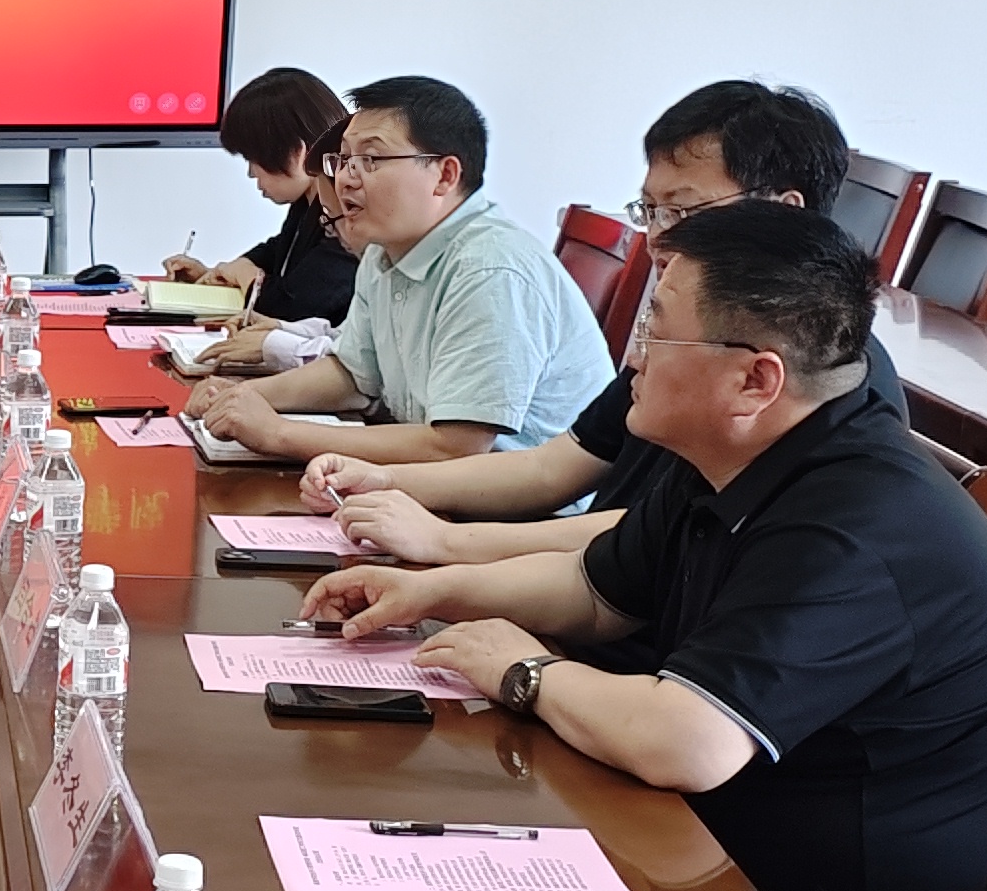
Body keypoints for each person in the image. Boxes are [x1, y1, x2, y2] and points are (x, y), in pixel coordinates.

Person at [304, 200, 987, 891]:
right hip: (713, 847)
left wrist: (527, 672)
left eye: (656, 332)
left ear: (756, 379)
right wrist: (432, 591)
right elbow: (597, 590)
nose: (632, 355)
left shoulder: (855, 523)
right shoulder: (739, 450)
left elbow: (688, 743)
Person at [308, 79, 903, 563]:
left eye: (684, 211)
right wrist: (385, 481)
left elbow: (655, 533)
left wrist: (443, 543)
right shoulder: (684, 332)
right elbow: (551, 469)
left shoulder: (825, 374)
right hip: (586, 577)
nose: (659, 238)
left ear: (783, 211)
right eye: (652, 210)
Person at [188, 74, 609, 466]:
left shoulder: (489, 271)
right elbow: (352, 375)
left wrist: (279, 433)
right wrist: (241, 395)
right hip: (431, 489)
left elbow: (455, 447)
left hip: (521, 509)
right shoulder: (382, 254)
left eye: (371, 158)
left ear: (445, 175)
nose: (346, 179)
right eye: (344, 159)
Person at [159, 66, 355, 347]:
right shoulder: (310, 200)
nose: (251, 173)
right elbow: (276, 252)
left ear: (298, 152)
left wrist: (243, 273)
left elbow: (288, 308)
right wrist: (218, 274)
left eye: (254, 158)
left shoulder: (349, 218)